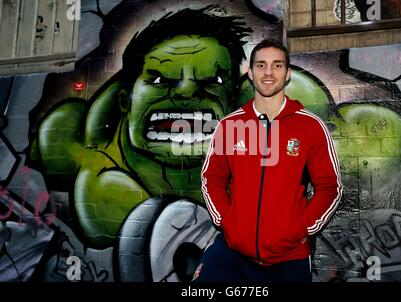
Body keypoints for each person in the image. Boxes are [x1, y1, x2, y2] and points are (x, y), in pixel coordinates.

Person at [28, 6, 251, 247]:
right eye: (159, 79)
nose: (187, 91)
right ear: (124, 101)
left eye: (214, 80)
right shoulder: (85, 149)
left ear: (234, 100)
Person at [196, 39, 343, 282]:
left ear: (287, 74)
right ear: (251, 73)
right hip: (232, 254)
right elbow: (212, 178)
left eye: (277, 65)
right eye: (261, 65)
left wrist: (302, 228)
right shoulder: (230, 126)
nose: (268, 72)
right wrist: (226, 221)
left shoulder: (310, 127)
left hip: (289, 257)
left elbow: (329, 187)